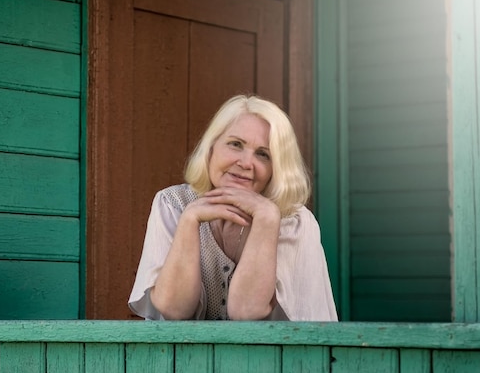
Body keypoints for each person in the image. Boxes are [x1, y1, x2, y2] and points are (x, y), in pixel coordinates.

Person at [128, 95, 338, 321]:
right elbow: (173, 309)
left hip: (278, 356)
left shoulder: (294, 221)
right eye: (235, 144)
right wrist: (190, 220)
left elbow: (247, 311)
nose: (246, 163)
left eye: (263, 154)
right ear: (211, 148)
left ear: (275, 169)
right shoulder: (173, 203)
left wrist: (266, 218)